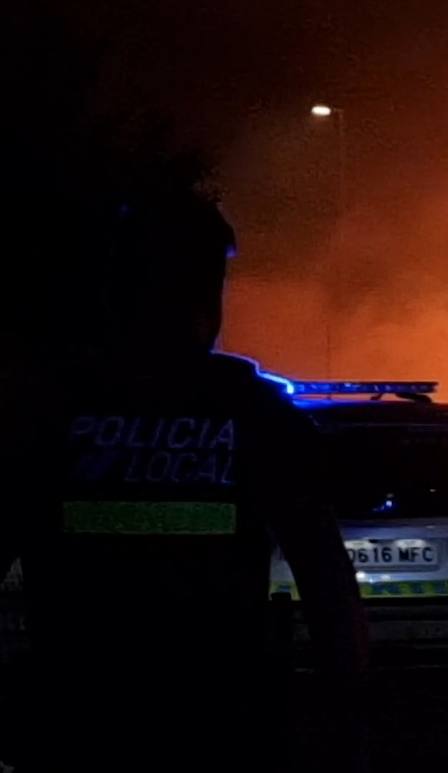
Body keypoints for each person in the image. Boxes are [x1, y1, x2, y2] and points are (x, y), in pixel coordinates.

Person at [0, 186, 368, 771]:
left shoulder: (45, 412)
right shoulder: (257, 416)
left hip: (80, 725)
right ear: (208, 295)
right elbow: (328, 590)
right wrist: (342, 731)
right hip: (220, 727)